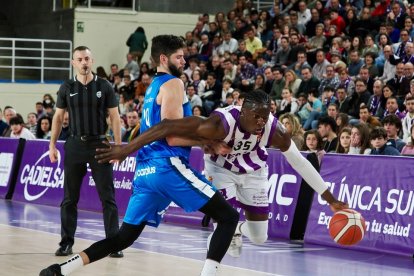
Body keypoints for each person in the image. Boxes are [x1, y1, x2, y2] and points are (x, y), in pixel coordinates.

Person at [40, 35, 240, 276]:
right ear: (164, 59)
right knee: (228, 217)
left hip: (145, 170)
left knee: (122, 238)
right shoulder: (173, 84)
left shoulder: (153, 86)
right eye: (180, 56)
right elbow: (172, 136)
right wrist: (209, 142)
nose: (185, 60)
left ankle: (60, 270)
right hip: (167, 165)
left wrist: (205, 143)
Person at [98, 90, 346, 259]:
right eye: (256, 116)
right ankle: (220, 249)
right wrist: (127, 149)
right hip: (221, 169)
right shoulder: (220, 122)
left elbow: (300, 163)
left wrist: (330, 198)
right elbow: (166, 127)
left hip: (254, 171)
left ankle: (238, 229)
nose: (262, 121)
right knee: (223, 226)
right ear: (243, 110)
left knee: (260, 237)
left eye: (265, 115)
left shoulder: (274, 129)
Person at [47, 46, 123, 259]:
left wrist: (118, 145)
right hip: (74, 145)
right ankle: (66, 243)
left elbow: (115, 117)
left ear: (92, 60)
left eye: (87, 58)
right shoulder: (66, 87)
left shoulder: (104, 85)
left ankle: (114, 244)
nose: (84, 62)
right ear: (73, 63)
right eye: (79, 59)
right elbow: (58, 117)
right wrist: (52, 144)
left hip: (100, 145)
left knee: (108, 197)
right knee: (69, 198)